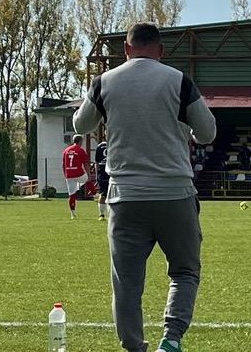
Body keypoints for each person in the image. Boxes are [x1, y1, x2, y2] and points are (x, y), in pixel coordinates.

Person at [74, 22, 217, 352]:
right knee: (184, 272)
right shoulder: (179, 80)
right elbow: (207, 133)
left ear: (126, 49)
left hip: (125, 196)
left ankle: (134, 346)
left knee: (126, 283)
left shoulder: (104, 81)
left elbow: (81, 124)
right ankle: (172, 338)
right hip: (175, 194)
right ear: (161, 51)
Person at [62, 134, 91, 219]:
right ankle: (95, 194)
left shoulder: (66, 150)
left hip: (69, 174)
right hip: (78, 173)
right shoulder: (81, 150)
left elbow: (63, 164)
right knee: (87, 180)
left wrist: (65, 174)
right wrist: (88, 174)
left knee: (72, 195)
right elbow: (86, 164)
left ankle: (73, 214)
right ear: (81, 141)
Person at [95, 137, 110, 220]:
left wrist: (97, 174)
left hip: (102, 172)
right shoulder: (114, 143)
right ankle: (104, 214)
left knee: (103, 194)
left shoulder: (100, 146)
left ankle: (102, 214)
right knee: (109, 194)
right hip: (111, 171)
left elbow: (96, 162)